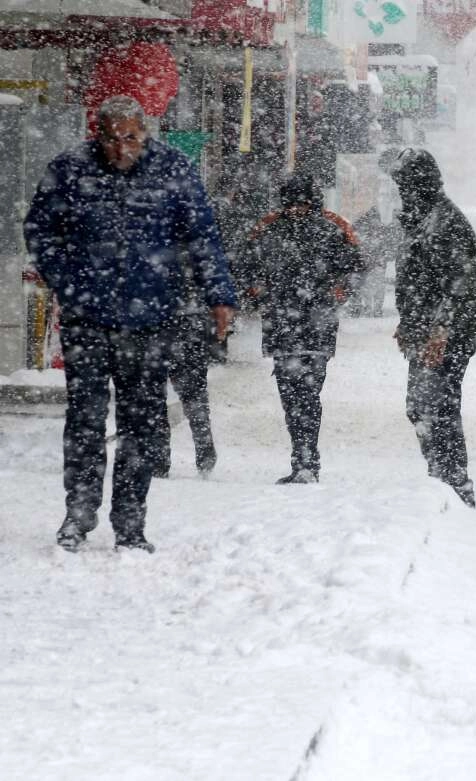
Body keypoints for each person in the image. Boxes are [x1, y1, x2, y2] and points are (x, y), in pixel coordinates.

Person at [23, 95, 236, 553]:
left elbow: (202, 235)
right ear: (97, 136)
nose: (122, 148)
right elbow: (40, 231)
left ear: (146, 133)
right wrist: (68, 280)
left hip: (151, 317)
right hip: (87, 316)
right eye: (112, 139)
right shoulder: (70, 169)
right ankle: (78, 513)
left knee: (142, 422)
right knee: (85, 418)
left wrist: (219, 295)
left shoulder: (173, 170)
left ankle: (130, 522)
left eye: (131, 138)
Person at [239, 173, 364, 484]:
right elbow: (244, 264)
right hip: (285, 325)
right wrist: (255, 290)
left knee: (306, 394)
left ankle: (306, 460)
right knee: (290, 395)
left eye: (302, 202)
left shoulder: (329, 229)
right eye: (292, 203)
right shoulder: (270, 229)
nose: (297, 208)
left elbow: (357, 267)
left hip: (313, 326)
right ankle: (304, 459)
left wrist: (341, 292)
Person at [388, 148, 476, 508]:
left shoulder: (447, 221)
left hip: (451, 331)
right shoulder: (418, 218)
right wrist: (408, 321)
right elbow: (415, 279)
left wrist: (440, 331)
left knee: (439, 404)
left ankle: (455, 482)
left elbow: (459, 283)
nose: (401, 189)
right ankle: (441, 474)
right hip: (424, 327)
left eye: (405, 182)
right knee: (420, 406)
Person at [150, 268, 219, 480]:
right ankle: (204, 450)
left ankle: (159, 458)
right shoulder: (195, 243)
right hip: (190, 318)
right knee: (193, 391)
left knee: (154, 393)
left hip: (156, 317)